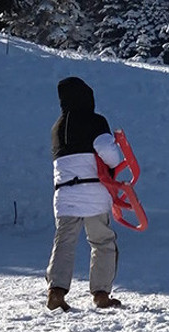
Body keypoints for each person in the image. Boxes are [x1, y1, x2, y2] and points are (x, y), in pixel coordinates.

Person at [45, 76, 123, 311]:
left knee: (65, 242)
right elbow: (110, 156)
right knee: (102, 242)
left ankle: (56, 291)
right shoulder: (95, 121)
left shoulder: (57, 128)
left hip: (64, 195)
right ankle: (101, 294)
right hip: (93, 192)